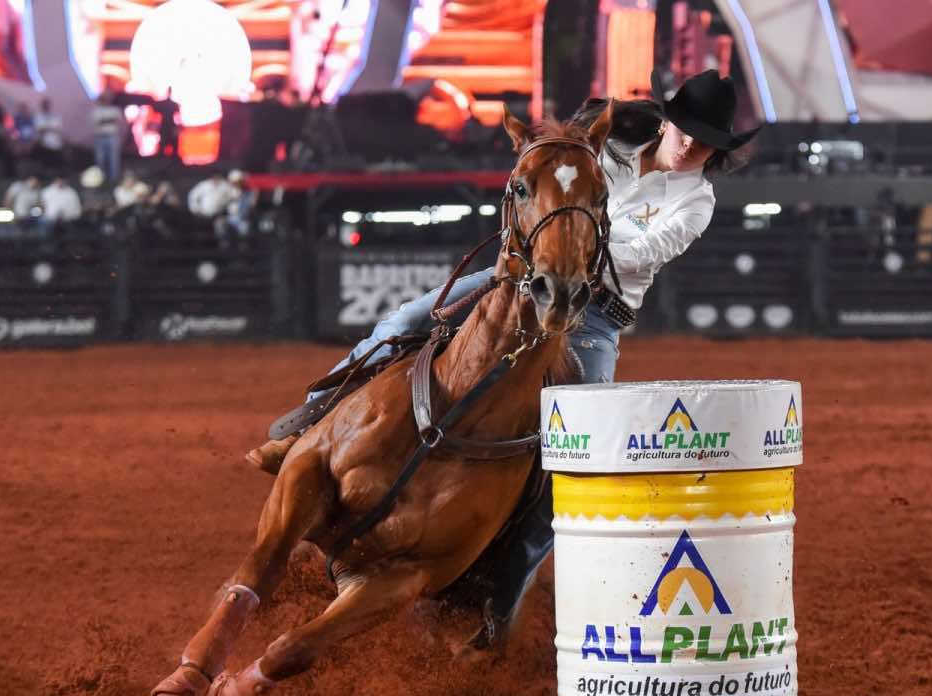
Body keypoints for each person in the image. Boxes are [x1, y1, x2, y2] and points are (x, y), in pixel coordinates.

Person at [245, 70, 760, 650]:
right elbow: (539, 173)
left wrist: (565, 229)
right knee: (401, 324)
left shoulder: (696, 202)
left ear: (718, 150)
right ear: (666, 122)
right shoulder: (604, 149)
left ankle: (499, 598)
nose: (690, 144)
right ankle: (311, 421)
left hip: (593, 318)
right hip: (518, 280)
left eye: (705, 140)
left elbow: (641, 256)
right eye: (686, 129)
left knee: (572, 461)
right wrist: (554, 224)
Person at [92, 89, 124, 182]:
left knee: (113, 158)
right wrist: (110, 120)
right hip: (100, 137)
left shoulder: (115, 109)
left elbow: (117, 120)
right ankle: (99, 179)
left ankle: (113, 179)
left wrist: (105, 120)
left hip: (112, 136)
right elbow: (97, 121)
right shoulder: (97, 110)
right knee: (100, 158)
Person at [32, 98, 64, 171]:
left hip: (55, 142)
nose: (46, 106)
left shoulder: (55, 116)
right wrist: (50, 127)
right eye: (44, 105)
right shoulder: (38, 116)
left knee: (56, 161)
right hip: (44, 143)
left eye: (47, 105)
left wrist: (46, 127)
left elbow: (58, 128)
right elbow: (39, 129)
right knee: (46, 162)